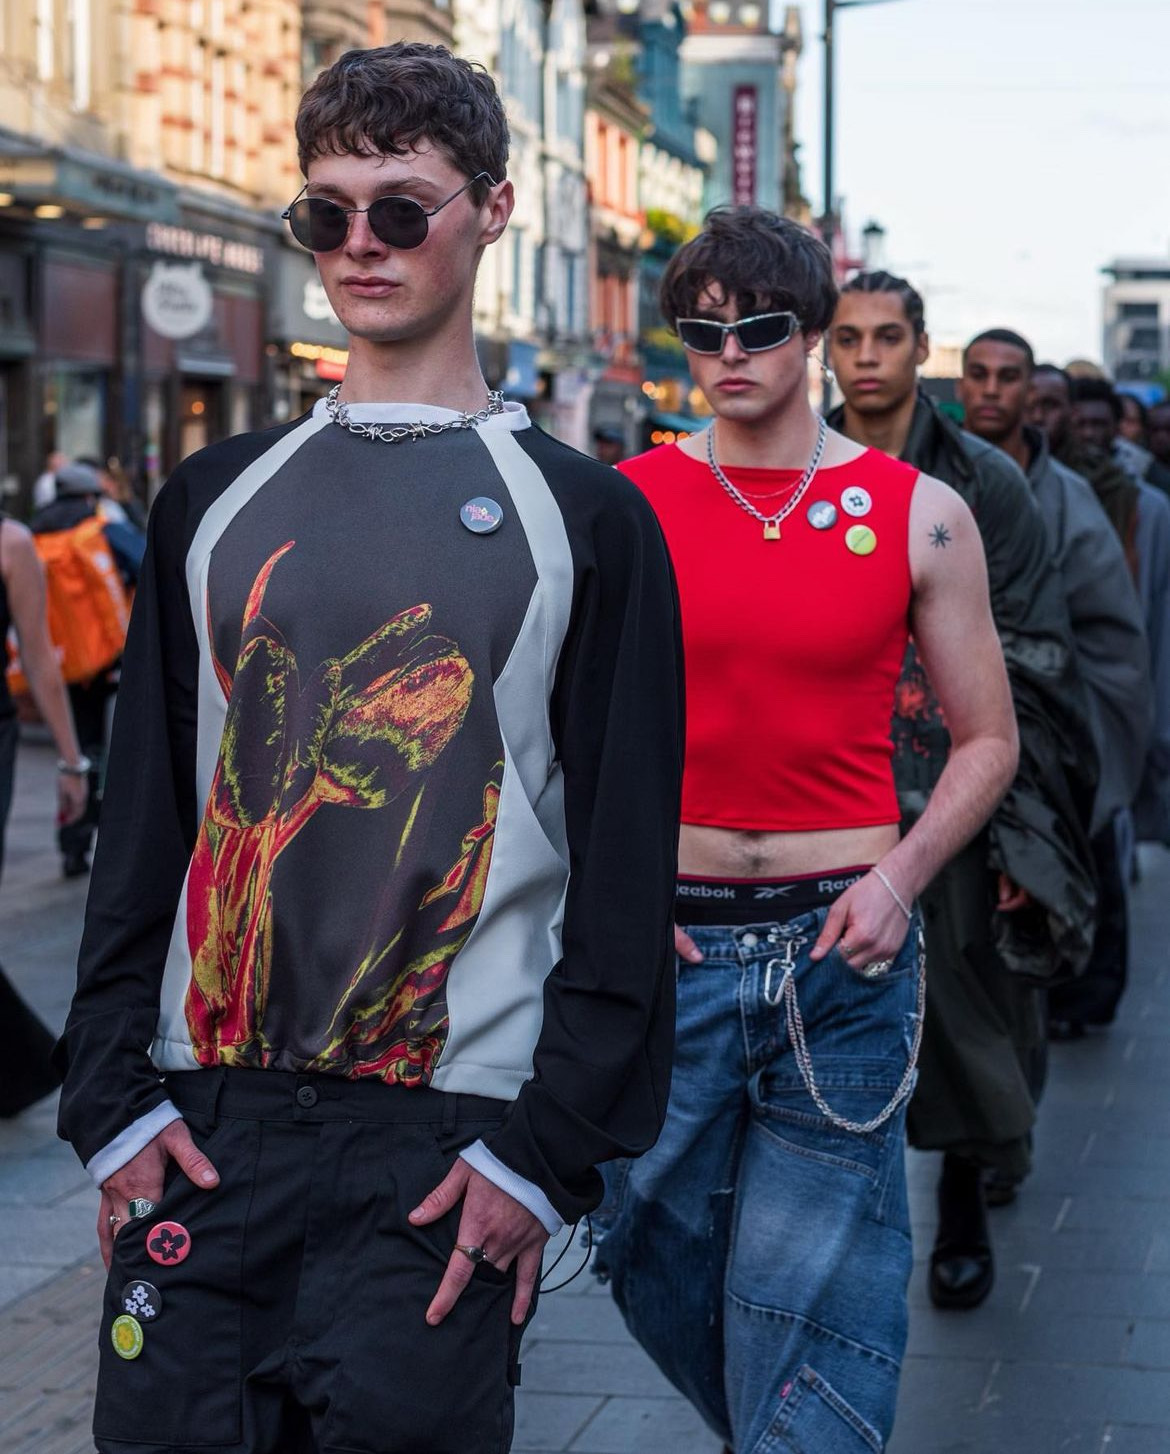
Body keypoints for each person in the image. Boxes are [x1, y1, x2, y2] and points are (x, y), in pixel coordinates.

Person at [54, 42, 683, 1454]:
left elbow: (628, 874)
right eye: (323, 212)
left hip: (442, 1137)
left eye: (400, 207)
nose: (359, 244)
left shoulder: (586, 517)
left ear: (493, 209)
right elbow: (149, 822)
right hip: (202, 1119)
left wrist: (539, 1160)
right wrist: (107, 1102)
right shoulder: (217, 494)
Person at [596, 209, 1017, 1454]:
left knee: (815, 1284)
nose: (730, 352)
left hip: (845, 950)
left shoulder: (918, 512)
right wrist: (609, 889)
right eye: (703, 329)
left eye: (761, 326)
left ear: (818, 337)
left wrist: (900, 877)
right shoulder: (633, 503)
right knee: (638, 1236)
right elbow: (563, 732)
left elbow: (988, 737)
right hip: (672, 950)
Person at [828, 273, 1097, 1312]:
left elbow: (1039, 662)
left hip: (952, 794)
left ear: (917, 347)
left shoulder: (985, 486)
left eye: (887, 336)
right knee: (829, 1024)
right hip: (825, 793)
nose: (865, 356)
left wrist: (1024, 839)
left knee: (969, 1018)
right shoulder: (795, 466)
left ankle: (965, 1204)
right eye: (847, 337)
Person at [957, 329, 1150, 835]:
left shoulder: (1073, 499)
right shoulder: (921, 484)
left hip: (1048, 740)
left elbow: (1113, 642)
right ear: (961, 388)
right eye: (979, 376)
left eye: (1008, 377)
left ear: (1029, 392)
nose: (992, 390)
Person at [0, 512, 88, 1116]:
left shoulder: (13, 542)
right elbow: (38, 661)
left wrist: (70, 759)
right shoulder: (10, 542)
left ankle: (22, 1068)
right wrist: (71, 761)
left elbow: (39, 659)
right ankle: (22, 1067)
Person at [30, 461, 145, 877]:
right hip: (104, 658)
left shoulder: (33, 534)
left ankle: (70, 841)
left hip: (56, 663)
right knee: (104, 748)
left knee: (75, 744)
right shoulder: (99, 530)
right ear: (89, 497)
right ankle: (96, 827)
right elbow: (148, 558)